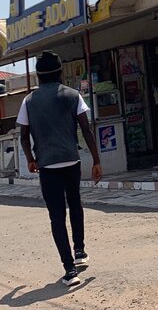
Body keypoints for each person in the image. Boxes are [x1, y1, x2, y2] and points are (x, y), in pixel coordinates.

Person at [18, 50, 102, 287]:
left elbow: (23, 136)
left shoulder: (29, 101)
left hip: (46, 164)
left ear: (38, 75)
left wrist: (30, 159)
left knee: (56, 216)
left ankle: (69, 270)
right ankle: (80, 250)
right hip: (71, 161)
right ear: (60, 72)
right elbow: (86, 129)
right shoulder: (73, 95)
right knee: (75, 203)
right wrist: (96, 160)